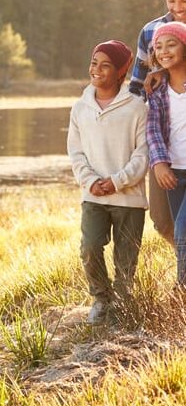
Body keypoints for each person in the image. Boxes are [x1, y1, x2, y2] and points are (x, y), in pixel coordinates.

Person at [67, 40, 148, 325]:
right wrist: (91, 182)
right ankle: (102, 299)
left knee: (126, 260)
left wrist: (117, 181)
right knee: (89, 246)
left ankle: (124, 306)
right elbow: (75, 152)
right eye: (93, 63)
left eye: (105, 65)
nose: (97, 70)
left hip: (129, 198)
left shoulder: (137, 107)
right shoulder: (80, 108)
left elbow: (143, 154)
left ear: (120, 72)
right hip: (93, 196)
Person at [129, 0, 186, 245]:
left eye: (185, 0)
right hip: (162, 141)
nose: (177, 8)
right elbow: (137, 88)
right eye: (171, 0)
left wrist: (167, 72)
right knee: (163, 220)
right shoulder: (151, 32)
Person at [146, 21, 186, 289]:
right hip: (174, 172)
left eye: (171, 44)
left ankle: (181, 291)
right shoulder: (158, 89)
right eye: (158, 46)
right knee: (176, 230)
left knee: (183, 233)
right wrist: (159, 163)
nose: (164, 50)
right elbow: (153, 129)